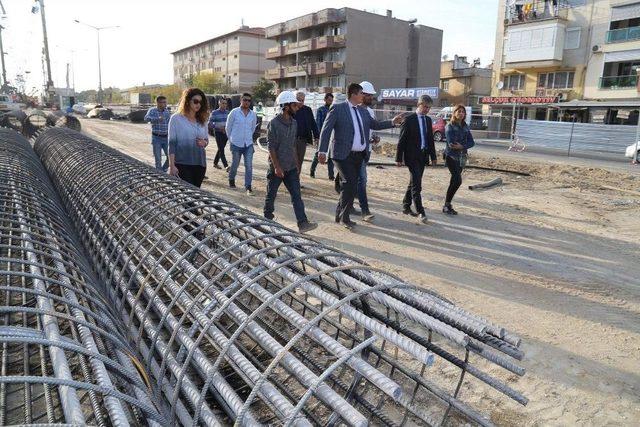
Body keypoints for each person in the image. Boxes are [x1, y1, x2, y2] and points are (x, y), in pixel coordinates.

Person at [318, 83, 403, 230]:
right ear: (353, 94)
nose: (364, 96)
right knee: (350, 184)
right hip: (342, 154)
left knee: (348, 185)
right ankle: (345, 218)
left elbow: (375, 125)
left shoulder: (363, 112)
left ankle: (340, 214)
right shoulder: (338, 109)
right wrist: (322, 151)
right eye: (361, 93)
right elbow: (326, 130)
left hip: (359, 156)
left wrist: (392, 123)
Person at [263, 91, 318, 233]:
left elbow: (293, 144)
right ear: (286, 106)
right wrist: (276, 167)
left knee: (296, 196)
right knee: (271, 195)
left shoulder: (294, 123)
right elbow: (271, 147)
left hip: (291, 168)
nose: (297, 107)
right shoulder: (274, 124)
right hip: (277, 168)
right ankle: (267, 218)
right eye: (294, 105)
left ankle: (303, 223)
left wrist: (297, 164)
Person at [395, 95, 436, 224]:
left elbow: (430, 139)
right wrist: (398, 158)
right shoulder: (409, 120)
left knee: (413, 182)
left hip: (423, 156)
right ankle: (420, 211)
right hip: (411, 156)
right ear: (419, 105)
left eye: (429, 108)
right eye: (425, 107)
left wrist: (433, 156)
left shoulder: (428, 120)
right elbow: (401, 140)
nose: (426, 110)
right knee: (417, 185)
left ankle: (406, 206)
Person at [168, 88, 209, 187]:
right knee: (187, 196)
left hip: (200, 164)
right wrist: (172, 165)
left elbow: (206, 140)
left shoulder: (203, 120)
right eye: (195, 101)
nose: (198, 104)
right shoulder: (176, 119)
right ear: (187, 101)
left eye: (200, 102)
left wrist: (204, 143)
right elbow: (171, 144)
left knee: (195, 196)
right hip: (182, 164)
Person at [354, 81, 379, 222]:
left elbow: (373, 128)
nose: (371, 98)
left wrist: (375, 138)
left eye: (372, 96)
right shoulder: (353, 109)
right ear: (361, 94)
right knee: (361, 179)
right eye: (369, 95)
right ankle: (365, 210)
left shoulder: (370, 111)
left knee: (354, 180)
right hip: (355, 151)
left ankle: (346, 206)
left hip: (366, 150)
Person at [443, 104, 475, 215]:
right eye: (459, 111)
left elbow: (472, 142)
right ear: (454, 113)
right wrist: (464, 145)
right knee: (458, 180)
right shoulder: (450, 126)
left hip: (462, 158)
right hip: (451, 157)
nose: (461, 113)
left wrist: (462, 146)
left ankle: (447, 205)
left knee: (454, 181)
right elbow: (451, 144)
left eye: (463, 112)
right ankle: (447, 205)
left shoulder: (465, 126)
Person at [226, 93, 257, 195]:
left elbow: (252, 128)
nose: (247, 102)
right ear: (241, 100)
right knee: (235, 164)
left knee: (249, 165)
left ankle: (248, 186)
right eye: (245, 100)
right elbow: (228, 128)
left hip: (248, 144)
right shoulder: (234, 112)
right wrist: (231, 140)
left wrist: (247, 137)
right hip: (236, 143)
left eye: (249, 100)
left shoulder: (253, 114)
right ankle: (231, 179)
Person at [293, 91, 319, 175]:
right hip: (291, 139)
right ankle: (290, 180)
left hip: (302, 140)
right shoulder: (291, 110)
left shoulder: (307, 110)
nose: (300, 102)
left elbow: (313, 123)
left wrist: (316, 136)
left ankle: (296, 180)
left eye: (302, 100)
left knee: (299, 161)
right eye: (298, 100)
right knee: (292, 161)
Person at [309, 93, 334, 180]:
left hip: (331, 136)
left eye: (331, 100)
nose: (330, 102)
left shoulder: (332, 109)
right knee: (318, 154)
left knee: (331, 156)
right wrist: (318, 136)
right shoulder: (321, 110)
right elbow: (318, 123)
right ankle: (312, 171)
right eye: (329, 100)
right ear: (325, 99)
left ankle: (331, 175)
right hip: (323, 135)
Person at [144, 95, 172, 172]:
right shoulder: (152, 110)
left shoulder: (166, 111)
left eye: (165, 102)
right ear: (158, 103)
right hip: (157, 138)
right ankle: (159, 176)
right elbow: (146, 118)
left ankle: (162, 171)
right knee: (158, 159)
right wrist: (157, 119)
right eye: (163, 102)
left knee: (170, 157)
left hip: (166, 138)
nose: (165, 104)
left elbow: (169, 123)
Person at [208, 98, 230, 170]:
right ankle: (226, 165)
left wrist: (226, 128)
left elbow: (230, 123)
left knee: (221, 149)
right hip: (218, 133)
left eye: (225, 103)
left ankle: (215, 163)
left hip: (225, 133)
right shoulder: (214, 113)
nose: (224, 105)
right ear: (219, 104)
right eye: (223, 103)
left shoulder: (228, 113)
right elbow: (210, 124)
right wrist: (219, 127)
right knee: (221, 149)